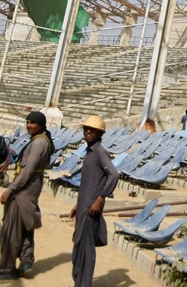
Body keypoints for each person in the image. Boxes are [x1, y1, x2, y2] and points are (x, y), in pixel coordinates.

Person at [0, 111, 54, 281]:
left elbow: (28, 171)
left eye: (32, 123)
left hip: (23, 190)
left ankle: (7, 269)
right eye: (27, 122)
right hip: (30, 188)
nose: (29, 126)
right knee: (25, 225)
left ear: (41, 125)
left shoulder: (39, 143)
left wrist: (9, 190)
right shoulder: (41, 139)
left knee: (11, 230)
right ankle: (26, 262)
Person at [69, 115, 119, 287]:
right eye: (86, 129)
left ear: (99, 134)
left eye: (93, 130)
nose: (88, 132)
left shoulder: (100, 152)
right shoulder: (89, 152)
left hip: (91, 208)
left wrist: (100, 198)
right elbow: (89, 182)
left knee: (86, 250)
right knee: (79, 246)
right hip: (83, 206)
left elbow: (114, 175)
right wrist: (78, 205)